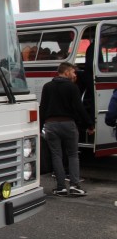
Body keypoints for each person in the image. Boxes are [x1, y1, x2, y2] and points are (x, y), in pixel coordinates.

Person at [40, 62, 94, 197]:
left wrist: (39, 127)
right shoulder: (72, 87)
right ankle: (75, 186)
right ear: (66, 72)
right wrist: (89, 125)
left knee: (56, 155)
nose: (75, 75)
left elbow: (43, 108)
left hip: (51, 125)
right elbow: (79, 108)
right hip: (68, 124)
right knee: (73, 154)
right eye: (73, 72)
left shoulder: (47, 87)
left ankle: (60, 187)